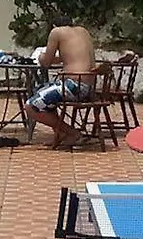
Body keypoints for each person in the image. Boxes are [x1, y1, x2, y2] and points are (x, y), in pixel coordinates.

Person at [26, 13, 99, 149]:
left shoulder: (56, 32)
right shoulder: (83, 31)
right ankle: (60, 133)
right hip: (88, 86)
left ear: (54, 25)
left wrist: (41, 56)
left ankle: (72, 133)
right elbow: (73, 57)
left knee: (30, 106)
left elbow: (46, 62)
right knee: (42, 90)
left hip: (73, 86)